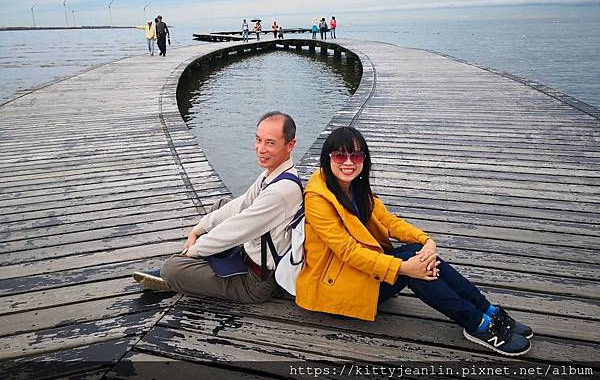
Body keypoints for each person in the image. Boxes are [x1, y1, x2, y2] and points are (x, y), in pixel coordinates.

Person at [295, 126, 533, 357]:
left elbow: (388, 221)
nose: (348, 162)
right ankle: (478, 324)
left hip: (357, 275)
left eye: (355, 155)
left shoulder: (355, 187)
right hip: (335, 289)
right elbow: (348, 251)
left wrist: (425, 240)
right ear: (328, 158)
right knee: (412, 268)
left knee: (417, 252)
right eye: (340, 155)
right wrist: (404, 268)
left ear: (364, 159)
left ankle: (487, 311)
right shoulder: (318, 199)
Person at [133, 112, 303, 303]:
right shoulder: (274, 174)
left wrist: (192, 252)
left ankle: (178, 276)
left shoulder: (281, 192)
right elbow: (242, 204)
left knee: (171, 269)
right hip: (247, 253)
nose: (261, 149)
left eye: (270, 143)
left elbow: (238, 228)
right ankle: (193, 269)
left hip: (255, 281)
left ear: (290, 145)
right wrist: (199, 228)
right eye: (258, 140)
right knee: (221, 205)